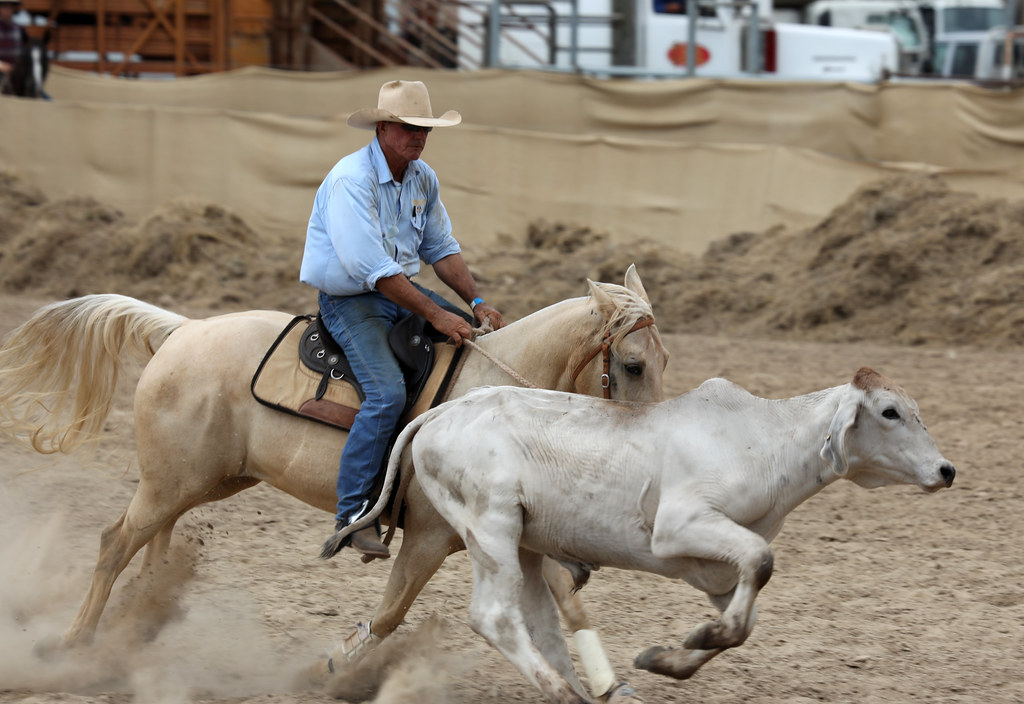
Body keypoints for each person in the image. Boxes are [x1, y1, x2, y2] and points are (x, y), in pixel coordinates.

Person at [300, 79, 505, 559]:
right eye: (410, 127)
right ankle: (353, 514)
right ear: (383, 128)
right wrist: (435, 313)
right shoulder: (352, 181)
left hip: (399, 293)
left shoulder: (422, 178)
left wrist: (475, 302)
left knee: (475, 349)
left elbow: (441, 248)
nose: (419, 136)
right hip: (352, 301)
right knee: (386, 392)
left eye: (425, 129)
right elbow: (371, 270)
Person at [0, 0, 23, 87]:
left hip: (16, 74)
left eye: (10, 7)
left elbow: (25, 53)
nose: (8, 10)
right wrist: (1, 66)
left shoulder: (19, 29)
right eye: (5, 6)